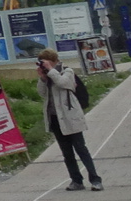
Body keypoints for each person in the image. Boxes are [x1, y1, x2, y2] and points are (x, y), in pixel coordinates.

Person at [36, 50, 102, 192]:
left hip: (70, 117)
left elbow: (63, 83)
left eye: (45, 61)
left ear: (52, 60)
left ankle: (95, 180)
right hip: (55, 119)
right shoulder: (48, 75)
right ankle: (76, 180)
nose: (43, 65)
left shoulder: (67, 71)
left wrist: (51, 70)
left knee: (81, 149)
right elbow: (42, 93)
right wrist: (42, 78)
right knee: (67, 153)